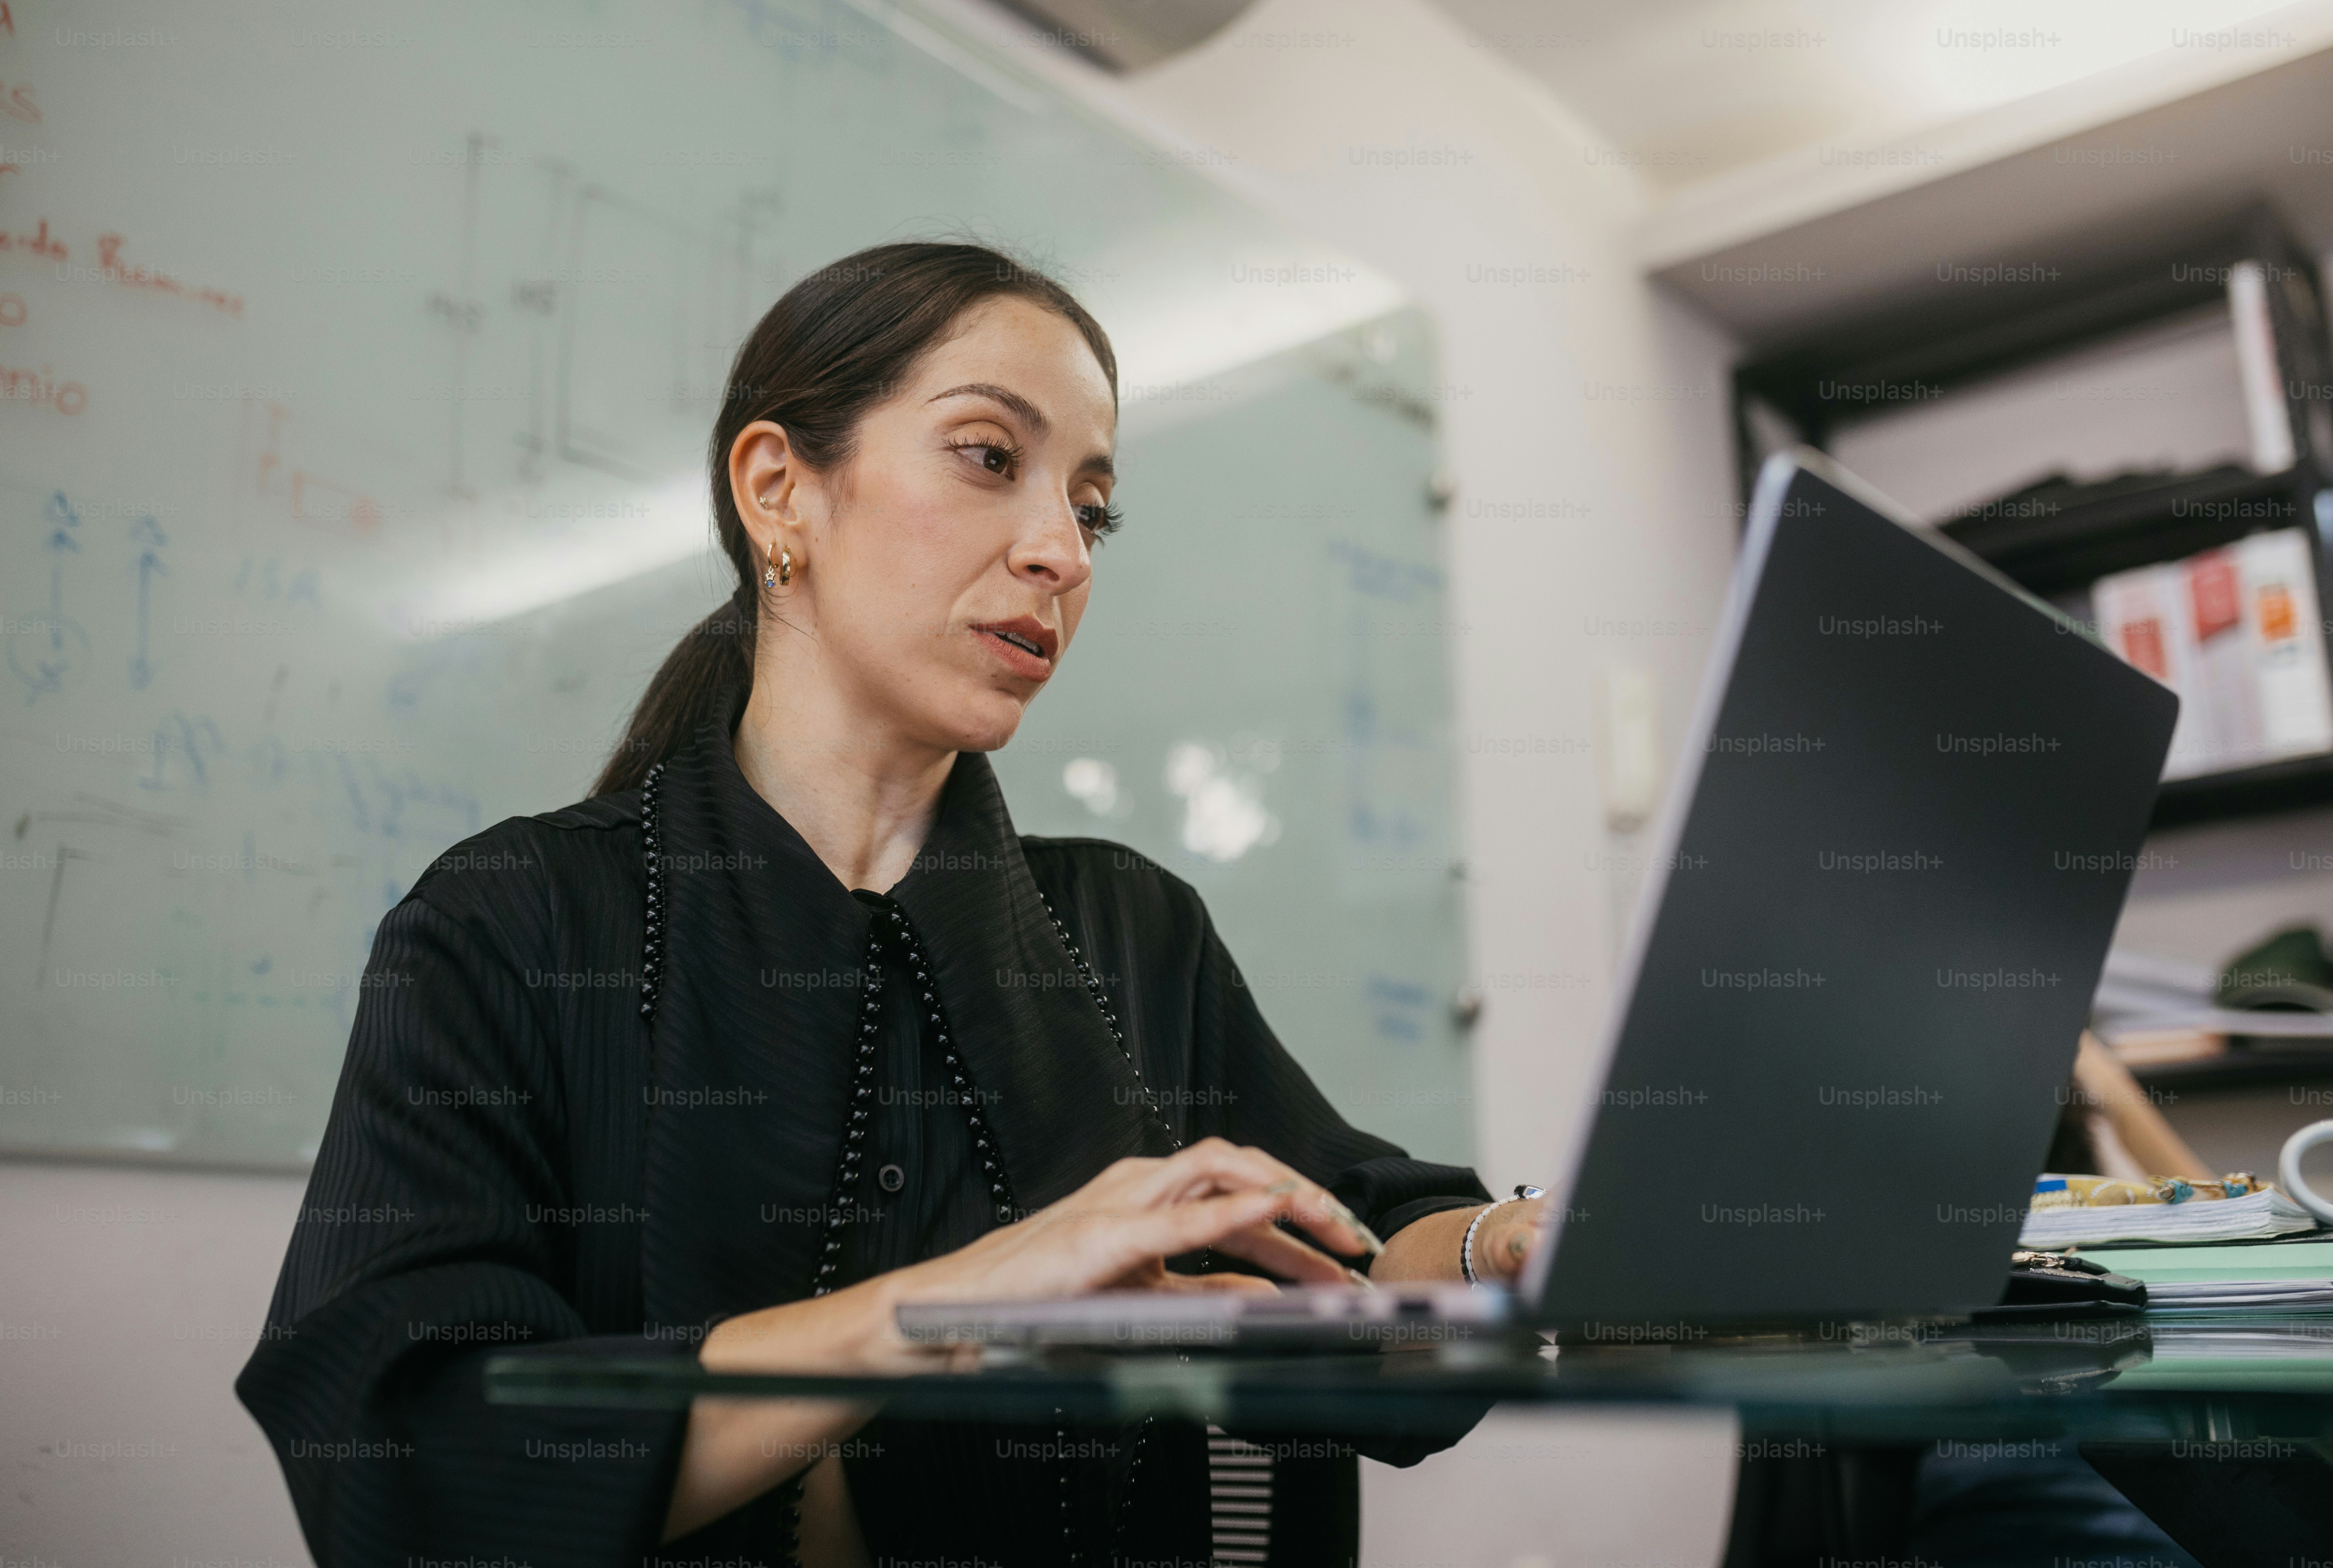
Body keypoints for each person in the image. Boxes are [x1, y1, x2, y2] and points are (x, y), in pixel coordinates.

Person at [237, 241, 1545, 1566]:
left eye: (1092, 510)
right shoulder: (511, 924)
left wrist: (1502, 1248)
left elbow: (1362, 1266)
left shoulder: (1134, 934)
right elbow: (401, 1462)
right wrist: (958, 1302)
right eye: (988, 456)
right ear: (778, 490)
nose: (1060, 552)